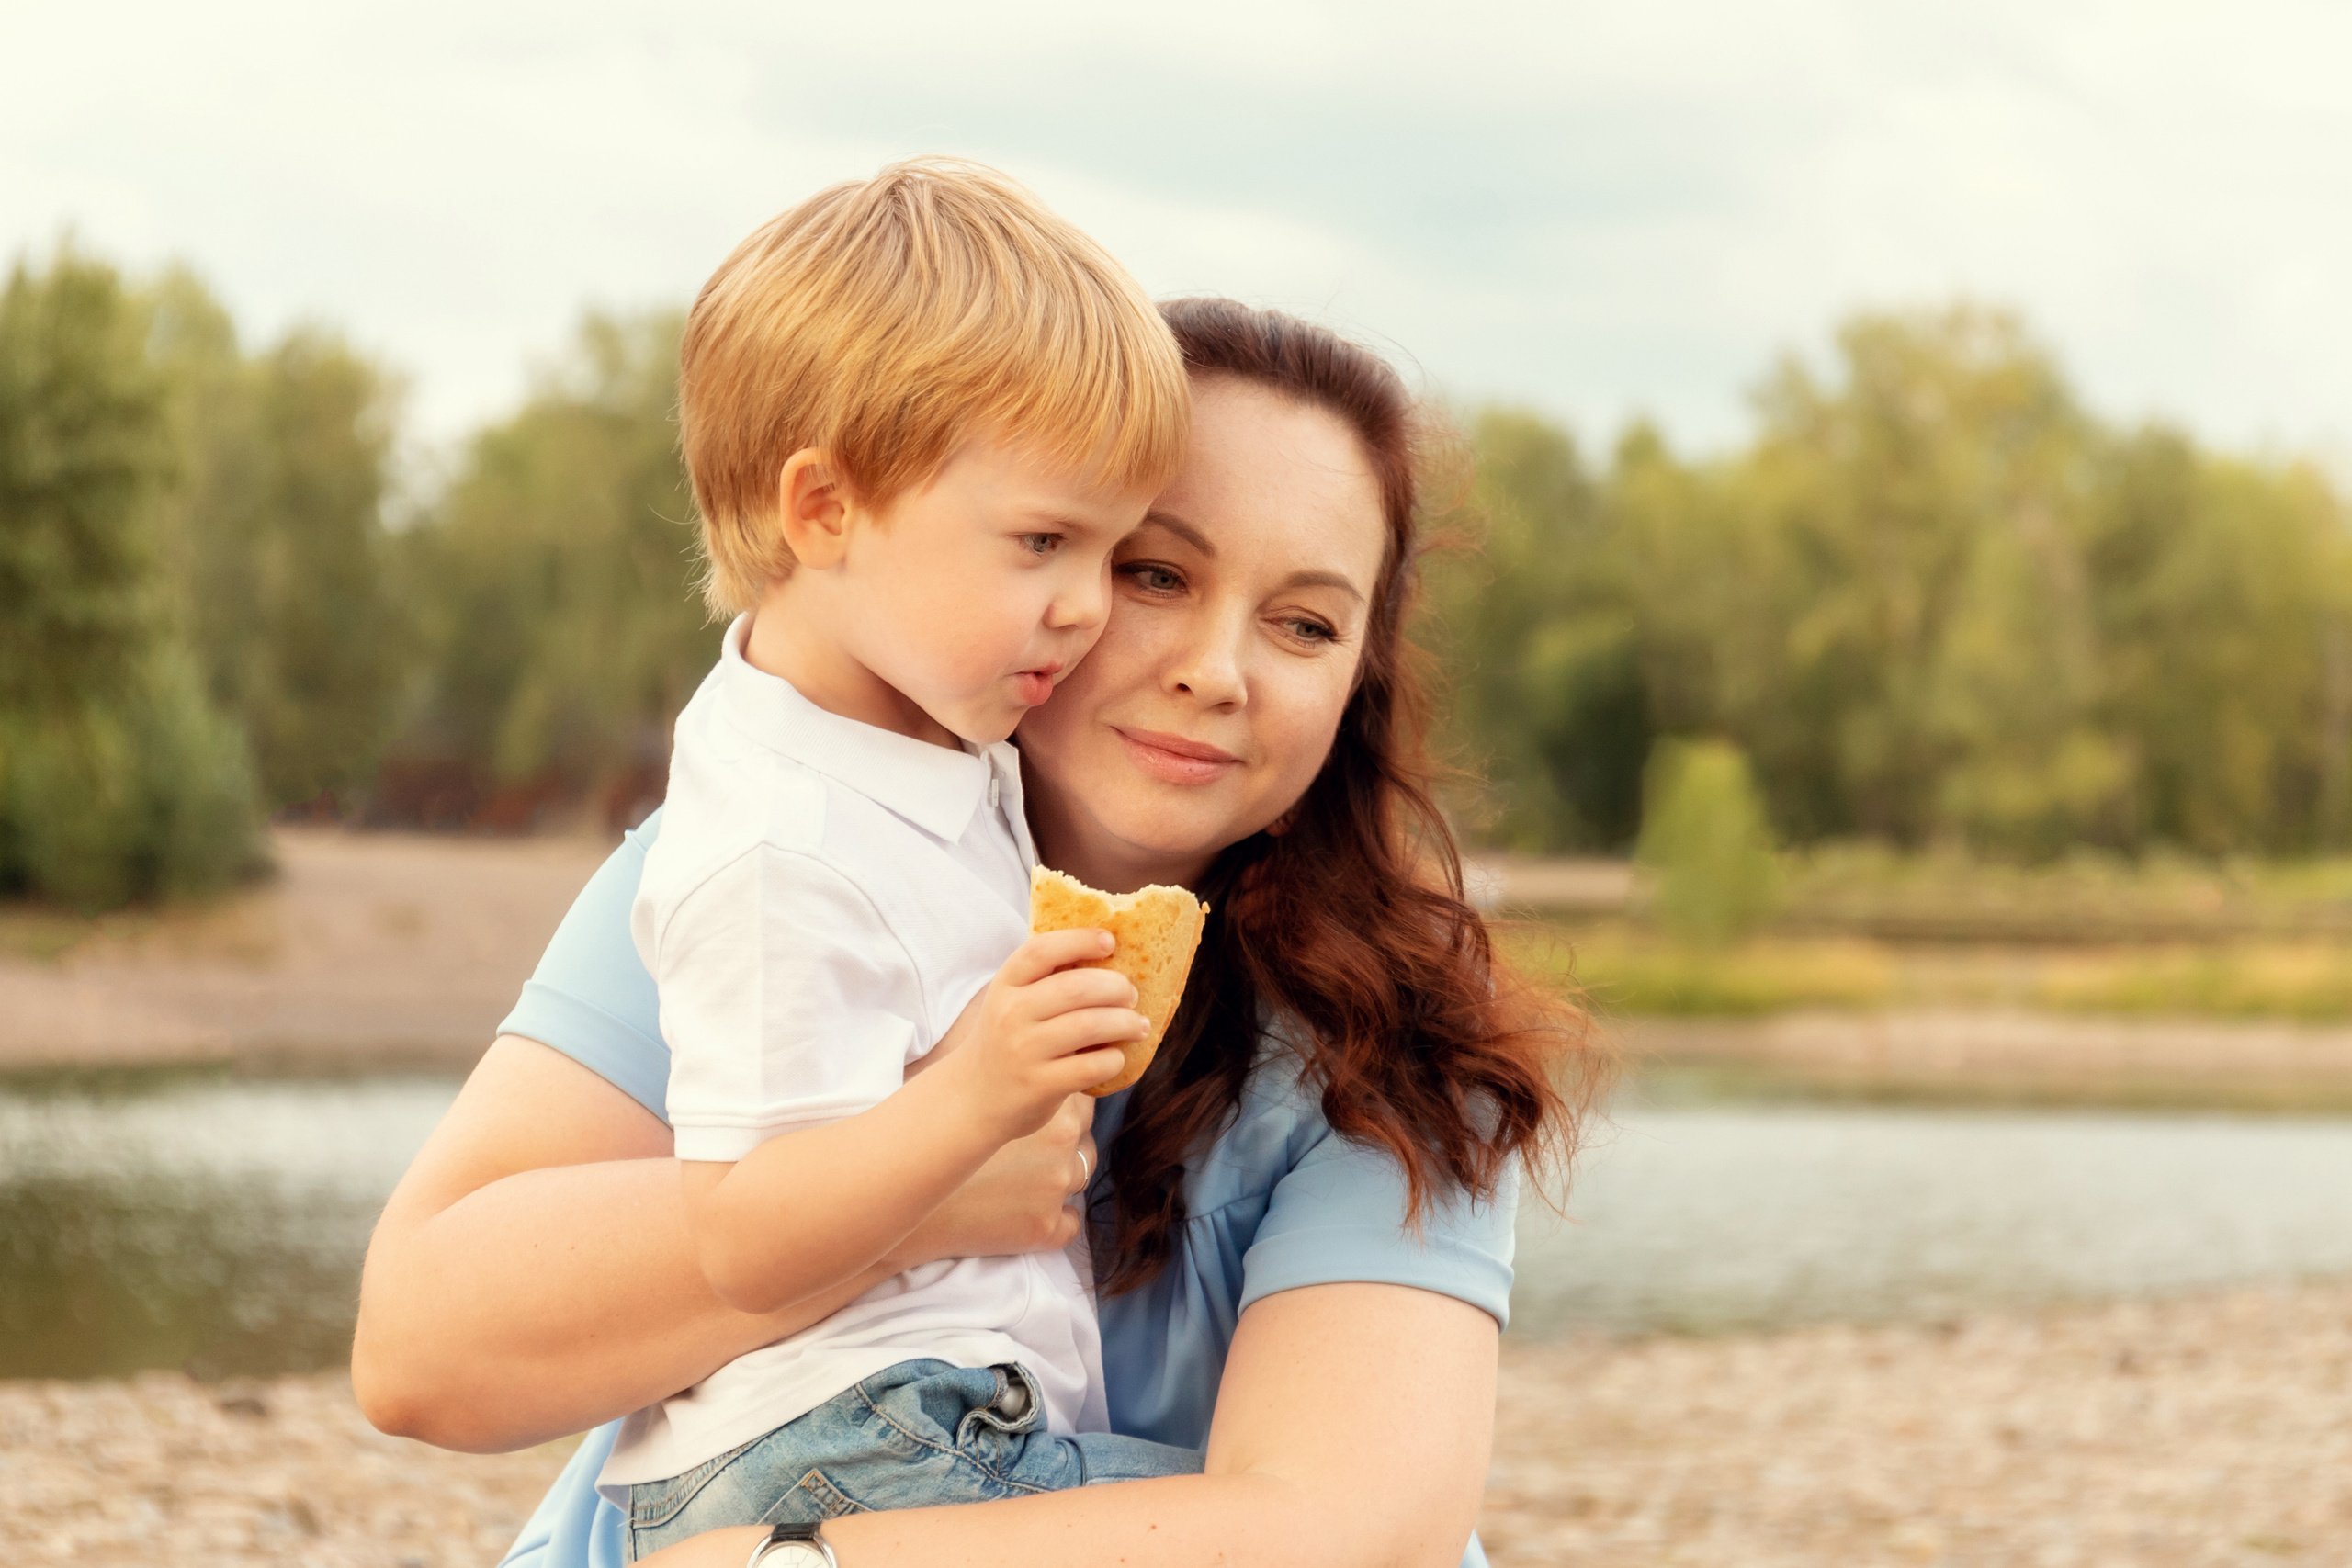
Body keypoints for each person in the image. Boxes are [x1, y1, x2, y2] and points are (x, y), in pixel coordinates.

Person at [354, 298, 1607, 1568]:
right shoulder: (767, 866)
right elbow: (419, 1356)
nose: (1219, 669)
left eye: (1306, 623)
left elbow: (1356, 1534)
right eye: (1152, 573)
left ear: (1358, 686)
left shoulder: (1395, 1030)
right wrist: (921, 1187)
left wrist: (801, 1562)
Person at [600, 158, 1202, 1555]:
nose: (1087, 609)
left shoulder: (905, 729)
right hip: (851, 1443)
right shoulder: (776, 847)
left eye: (1116, 554)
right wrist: (974, 1096)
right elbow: (740, 1239)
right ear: (824, 513)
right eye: (1044, 542)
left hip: (905, 1425)